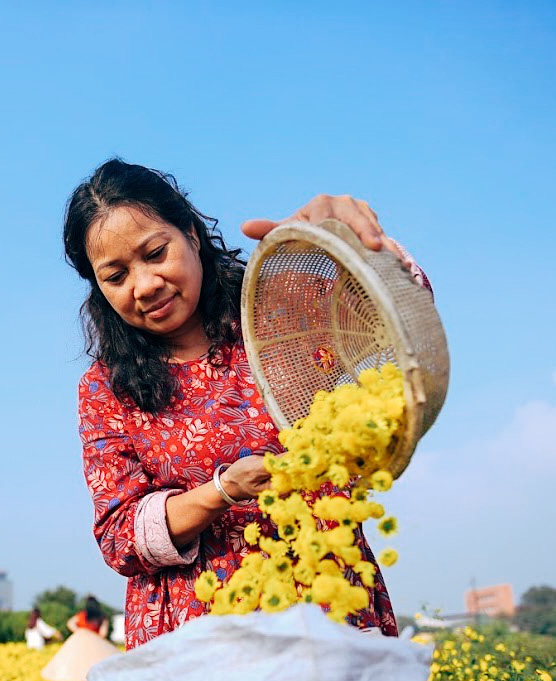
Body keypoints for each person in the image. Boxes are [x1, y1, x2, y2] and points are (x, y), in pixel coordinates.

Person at [66, 159, 431, 650]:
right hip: (196, 634)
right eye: (116, 276)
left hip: (326, 603)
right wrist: (221, 492)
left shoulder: (278, 313)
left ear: (192, 234)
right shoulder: (107, 387)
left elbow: (403, 314)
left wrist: (347, 243)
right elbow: (119, 537)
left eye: (156, 253)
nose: (145, 284)